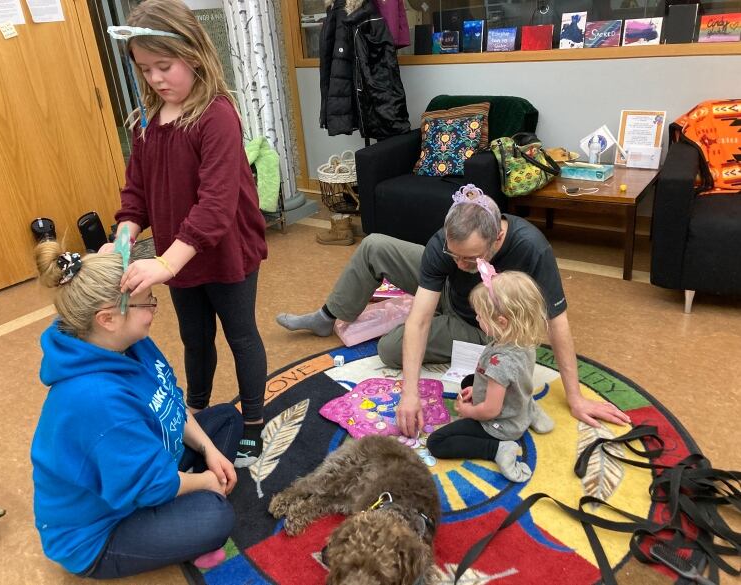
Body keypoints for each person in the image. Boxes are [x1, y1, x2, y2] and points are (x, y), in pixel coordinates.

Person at [277, 185, 631, 436]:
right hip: (448, 296)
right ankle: (328, 316)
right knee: (374, 246)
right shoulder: (446, 247)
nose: (461, 263)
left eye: (471, 258)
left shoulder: (531, 248)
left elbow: (558, 321)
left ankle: (428, 318)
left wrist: (575, 396)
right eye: (454, 254)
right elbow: (420, 319)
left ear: (496, 240)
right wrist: (410, 393)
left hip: (481, 323)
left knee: (389, 349)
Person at [102, 0, 268, 467]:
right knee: (195, 338)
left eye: (164, 65)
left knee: (241, 336)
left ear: (193, 55)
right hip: (179, 258)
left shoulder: (216, 115)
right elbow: (137, 192)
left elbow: (215, 206)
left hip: (223, 254)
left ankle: (253, 419)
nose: (155, 78)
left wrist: (164, 263)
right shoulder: (148, 124)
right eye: (145, 69)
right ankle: (194, 412)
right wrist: (124, 233)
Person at [31, 241, 243, 579]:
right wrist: (205, 481)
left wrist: (208, 450)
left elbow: (169, 401)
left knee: (226, 420)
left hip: (142, 469)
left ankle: (184, 509)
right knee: (215, 516)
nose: (155, 308)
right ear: (108, 319)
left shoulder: (130, 341)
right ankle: (186, 519)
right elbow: (150, 487)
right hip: (101, 531)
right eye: (147, 302)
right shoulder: (96, 399)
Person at [426, 265, 552, 482]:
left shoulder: (500, 363)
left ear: (502, 322)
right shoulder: (523, 342)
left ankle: (497, 449)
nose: (477, 319)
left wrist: (468, 411)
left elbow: (490, 411)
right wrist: (476, 388)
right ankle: (527, 407)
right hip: (514, 402)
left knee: (436, 442)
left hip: (500, 426)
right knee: (469, 381)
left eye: (481, 316)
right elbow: (514, 377)